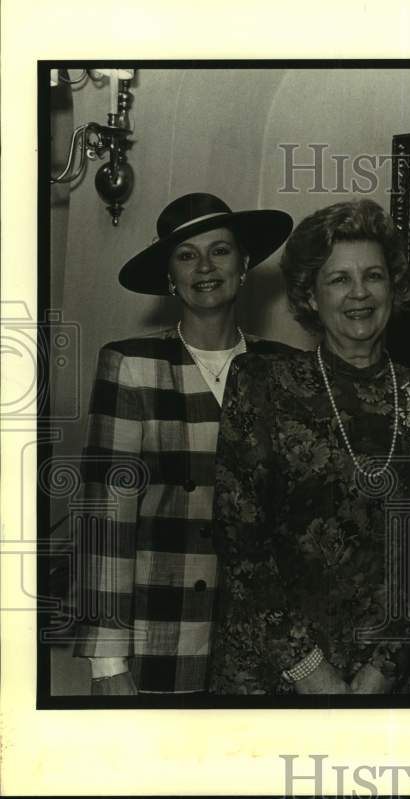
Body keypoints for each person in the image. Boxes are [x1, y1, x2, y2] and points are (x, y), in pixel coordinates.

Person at [208, 199, 410, 695]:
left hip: (384, 680)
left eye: (374, 276)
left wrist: (384, 667)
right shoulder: (261, 383)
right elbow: (242, 548)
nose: (359, 293)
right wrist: (309, 670)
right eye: (339, 279)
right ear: (311, 295)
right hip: (269, 675)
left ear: (393, 287)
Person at [72, 192, 293, 695]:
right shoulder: (131, 364)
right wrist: (108, 665)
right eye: (186, 255)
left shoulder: (284, 369)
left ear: (245, 263)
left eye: (220, 250)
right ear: (171, 277)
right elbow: (104, 518)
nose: (205, 267)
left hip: (268, 646)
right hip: (162, 639)